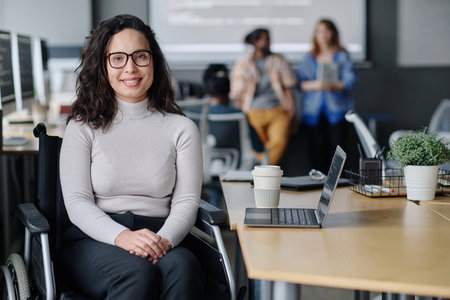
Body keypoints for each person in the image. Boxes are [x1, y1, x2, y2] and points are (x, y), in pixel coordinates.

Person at [59, 14, 205, 300]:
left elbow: (187, 201)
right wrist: (123, 237)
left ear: (154, 61)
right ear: (102, 65)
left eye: (140, 56)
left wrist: (162, 241)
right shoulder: (82, 126)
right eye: (117, 58)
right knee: (136, 273)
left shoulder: (182, 128)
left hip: (161, 235)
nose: (130, 68)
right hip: (96, 237)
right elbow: (77, 203)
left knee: (184, 268)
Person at [296, 19, 356, 173]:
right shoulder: (309, 57)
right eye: (319, 31)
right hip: (313, 111)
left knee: (338, 149)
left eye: (326, 31)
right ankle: (317, 184)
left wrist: (332, 85)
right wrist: (318, 85)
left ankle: (339, 184)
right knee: (317, 149)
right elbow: (300, 83)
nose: (323, 35)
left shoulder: (342, 55)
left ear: (333, 33)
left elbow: (350, 80)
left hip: (337, 110)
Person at [230, 28, 297, 165]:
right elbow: (237, 92)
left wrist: (292, 109)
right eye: (264, 39)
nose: (267, 43)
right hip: (253, 112)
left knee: (279, 142)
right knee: (256, 147)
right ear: (255, 42)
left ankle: (263, 168)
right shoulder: (244, 63)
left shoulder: (279, 60)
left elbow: (288, 86)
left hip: (278, 110)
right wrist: (240, 113)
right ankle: (263, 171)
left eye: (268, 39)